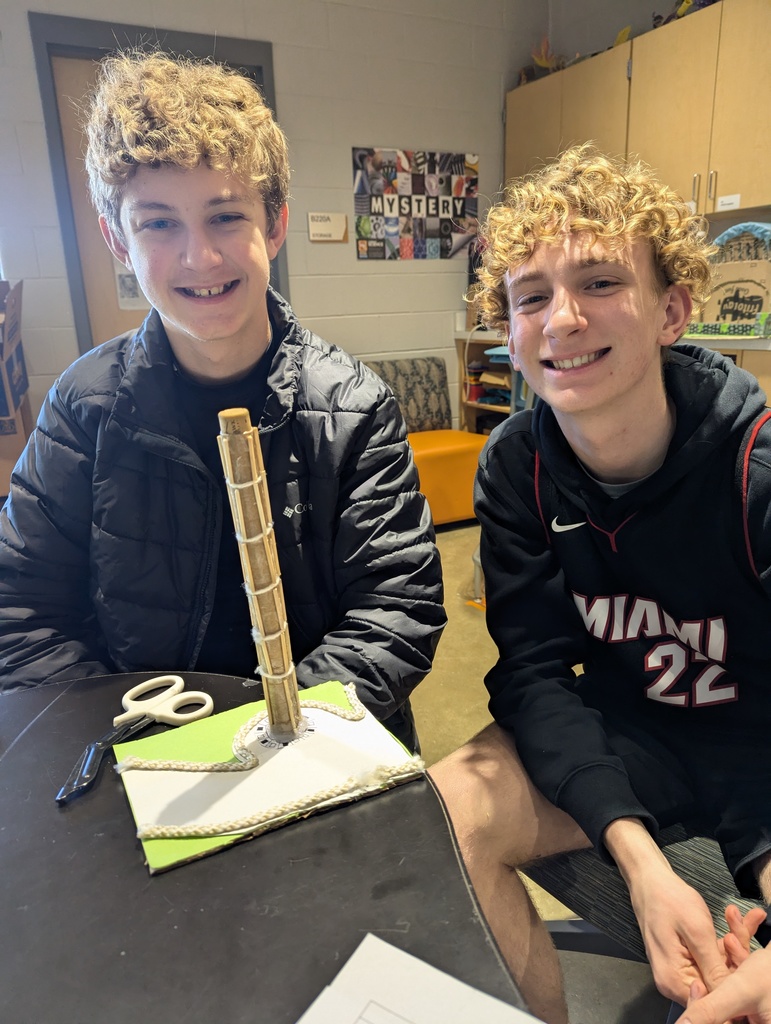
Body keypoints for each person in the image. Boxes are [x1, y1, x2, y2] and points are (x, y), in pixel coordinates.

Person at [0, 51, 446, 752]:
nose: (199, 258)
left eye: (224, 217)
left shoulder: (356, 409)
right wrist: (133, 744)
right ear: (117, 237)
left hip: (316, 750)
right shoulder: (81, 409)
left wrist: (269, 744)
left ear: (273, 226)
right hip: (138, 757)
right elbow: (19, 607)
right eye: (158, 224)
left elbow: (395, 609)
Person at [428, 144, 771, 1022]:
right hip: (634, 737)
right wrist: (640, 859)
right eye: (530, 297)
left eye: (601, 282)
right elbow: (535, 674)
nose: (563, 320)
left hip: (760, 746)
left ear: (673, 309)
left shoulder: (755, 464)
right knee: (445, 808)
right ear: (507, 330)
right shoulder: (516, 468)